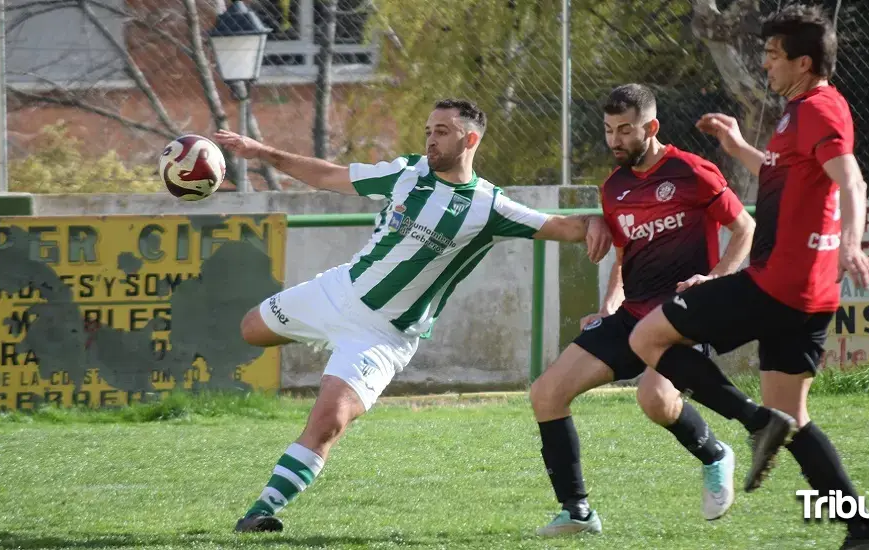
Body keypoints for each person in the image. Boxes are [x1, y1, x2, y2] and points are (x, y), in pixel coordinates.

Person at [214, 98, 613, 533]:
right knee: (251, 329)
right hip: (338, 291)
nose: (430, 139)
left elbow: (560, 225)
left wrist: (598, 221)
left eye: (442, 130)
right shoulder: (406, 173)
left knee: (329, 420)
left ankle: (261, 511)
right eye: (428, 130)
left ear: (470, 139)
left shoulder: (489, 207)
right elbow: (329, 175)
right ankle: (323, 341)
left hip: (382, 336)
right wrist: (263, 152)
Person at [627, 5, 869, 550]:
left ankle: (752, 422)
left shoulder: (820, 108)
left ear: (804, 61)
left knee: (646, 337)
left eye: (773, 56)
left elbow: (852, 181)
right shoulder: (799, 112)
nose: (764, 64)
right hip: (809, 295)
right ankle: (865, 531)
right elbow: (784, 175)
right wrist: (737, 147)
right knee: (792, 415)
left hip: (779, 284)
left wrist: (851, 244)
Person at [529, 83, 756, 536]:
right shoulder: (613, 187)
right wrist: (609, 305)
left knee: (654, 399)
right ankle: (577, 512)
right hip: (632, 315)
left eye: (625, 130)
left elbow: (744, 227)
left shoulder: (692, 171)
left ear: (651, 127)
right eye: (609, 130)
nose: (615, 140)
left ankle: (715, 455)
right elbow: (624, 253)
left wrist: (713, 283)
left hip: (683, 315)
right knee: (546, 394)